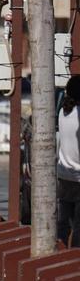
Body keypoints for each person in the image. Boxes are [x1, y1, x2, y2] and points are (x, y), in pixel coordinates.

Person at [56, 76, 80, 249]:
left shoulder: (64, 112)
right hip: (78, 177)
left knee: (64, 221)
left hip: (64, 174)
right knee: (78, 224)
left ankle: (61, 250)